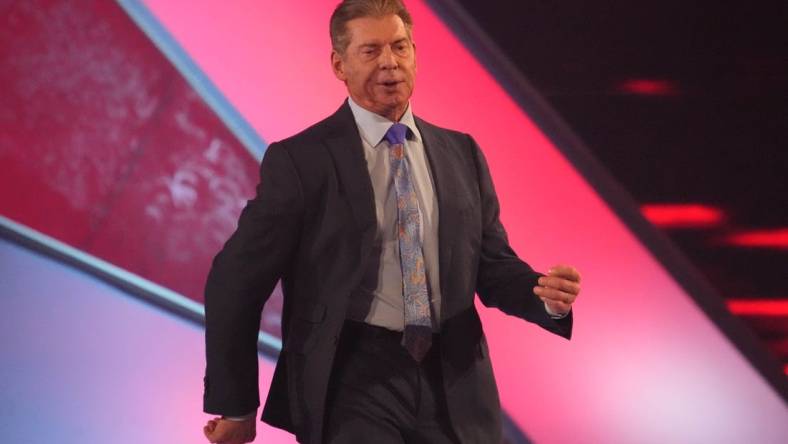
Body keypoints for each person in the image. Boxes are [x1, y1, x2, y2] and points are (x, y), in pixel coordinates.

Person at [202, 1, 581, 443]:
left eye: (400, 47)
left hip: (454, 377)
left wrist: (545, 297)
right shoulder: (301, 161)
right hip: (352, 376)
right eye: (371, 50)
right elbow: (235, 282)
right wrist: (238, 407)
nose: (390, 62)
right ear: (339, 65)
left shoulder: (463, 154)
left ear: (415, 54)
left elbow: (492, 267)